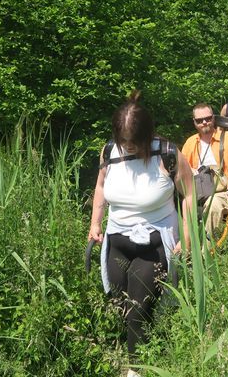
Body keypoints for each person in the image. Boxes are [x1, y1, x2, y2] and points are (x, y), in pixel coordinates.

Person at [87, 91, 194, 377]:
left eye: (134, 142)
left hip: (155, 242)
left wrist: (187, 235)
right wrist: (95, 223)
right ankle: (152, 337)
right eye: (124, 142)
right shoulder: (109, 151)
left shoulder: (168, 154)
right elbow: (100, 187)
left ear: (148, 135)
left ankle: (135, 370)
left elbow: (190, 195)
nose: (129, 147)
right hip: (117, 240)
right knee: (120, 300)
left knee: (137, 308)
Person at [181, 103, 228, 239]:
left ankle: (207, 253)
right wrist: (188, 170)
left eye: (208, 118)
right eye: (199, 120)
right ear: (194, 122)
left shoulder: (227, 137)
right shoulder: (190, 143)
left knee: (212, 204)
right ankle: (185, 250)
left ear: (213, 118)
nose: (204, 122)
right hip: (198, 193)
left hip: (227, 192)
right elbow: (181, 170)